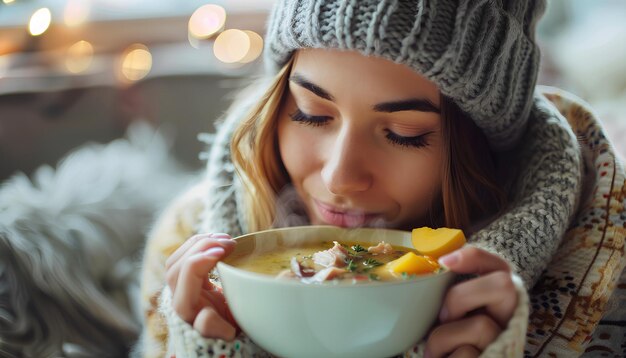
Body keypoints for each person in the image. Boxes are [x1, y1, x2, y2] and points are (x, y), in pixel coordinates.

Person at [135, 1, 626, 357]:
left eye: (403, 134)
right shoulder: (190, 250)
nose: (340, 177)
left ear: (477, 150)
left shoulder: (605, 268)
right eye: (309, 114)